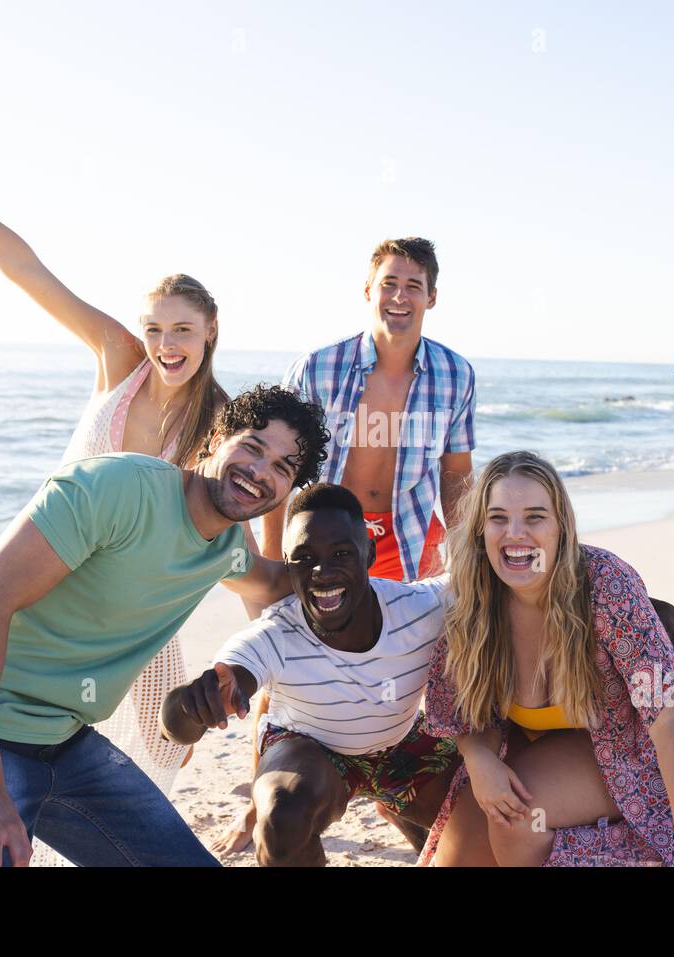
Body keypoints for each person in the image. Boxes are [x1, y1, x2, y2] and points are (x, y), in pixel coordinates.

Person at [0, 91, 261, 837]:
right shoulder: (119, 359)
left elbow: (235, 533)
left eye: (184, 331)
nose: (168, 344)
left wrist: (269, 654)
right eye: (157, 327)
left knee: (167, 733)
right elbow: (26, 269)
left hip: (130, 601)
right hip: (50, 556)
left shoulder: (222, 421)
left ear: (211, 331)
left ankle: (100, 832)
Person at [0, 385, 329, 866]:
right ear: (216, 437)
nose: (259, 471)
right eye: (251, 447)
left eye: (282, 468)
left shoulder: (227, 549)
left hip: (62, 738)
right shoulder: (119, 487)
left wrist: (380, 587)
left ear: (288, 491)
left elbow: (279, 584)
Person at [212, 236, 477, 851]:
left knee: (416, 671)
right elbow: (283, 474)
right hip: (327, 543)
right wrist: (274, 568)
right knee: (285, 673)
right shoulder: (319, 367)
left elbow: (457, 474)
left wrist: (464, 557)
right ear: (368, 291)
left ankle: (394, 785)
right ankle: (261, 802)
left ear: (431, 297)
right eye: (389, 283)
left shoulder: (455, 373)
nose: (400, 296)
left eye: (413, 285)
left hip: (410, 540)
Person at [419, 452, 674, 866]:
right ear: (479, 529)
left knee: (518, 818)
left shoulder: (603, 583)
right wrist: (480, 761)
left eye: (534, 517)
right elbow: (466, 709)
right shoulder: (474, 597)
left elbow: (670, 711)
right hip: (535, 749)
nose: (515, 535)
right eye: (498, 518)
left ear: (561, 527)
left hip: (632, 748)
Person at [163, 483, 460, 865]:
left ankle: (404, 815)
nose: (323, 572)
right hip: (310, 748)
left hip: (400, 742)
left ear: (368, 553)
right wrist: (189, 709)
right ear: (287, 565)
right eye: (305, 558)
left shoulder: (420, 608)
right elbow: (177, 724)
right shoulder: (275, 634)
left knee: (492, 812)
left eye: (340, 554)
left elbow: (493, 582)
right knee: (282, 818)